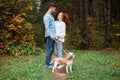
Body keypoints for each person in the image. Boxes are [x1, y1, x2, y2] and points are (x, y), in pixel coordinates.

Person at [43, 3, 57, 68]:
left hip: (53, 36)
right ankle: (47, 64)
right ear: (51, 8)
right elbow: (47, 27)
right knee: (49, 50)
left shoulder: (51, 16)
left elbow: (52, 27)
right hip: (50, 36)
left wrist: (54, 35)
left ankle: (47, 63)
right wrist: (51, 35)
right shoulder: (46, 16)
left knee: (51, 50)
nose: (55, 10)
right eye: (54, 9)